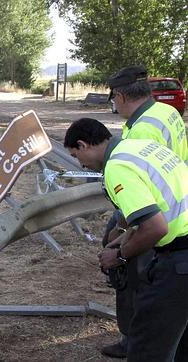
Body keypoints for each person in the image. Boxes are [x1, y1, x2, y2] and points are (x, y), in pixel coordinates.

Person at [64, 118, 188, 362]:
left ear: (83, 144)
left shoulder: (117, 167)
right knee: (180, 343)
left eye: (77, 156)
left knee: (146, 345)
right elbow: (161, 205)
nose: (82, 165)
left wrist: (119, 255)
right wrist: (126, 233)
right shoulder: (140, 147)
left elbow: (155, 228)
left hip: (179, 260)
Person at [100, 65, 188, 358]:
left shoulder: (143, 129)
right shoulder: (165, 111)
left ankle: (132, 338)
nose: (112, 103)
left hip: (163, 219)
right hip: (178, 204)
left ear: (122, 96)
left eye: (113, 97)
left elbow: (143, 186)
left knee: (146, 301)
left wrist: (123, 242)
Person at [108, 65, 187, 161]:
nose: (114, 103)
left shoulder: (141, 131)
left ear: (120, 97)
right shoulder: (168, 109)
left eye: (113, 99)